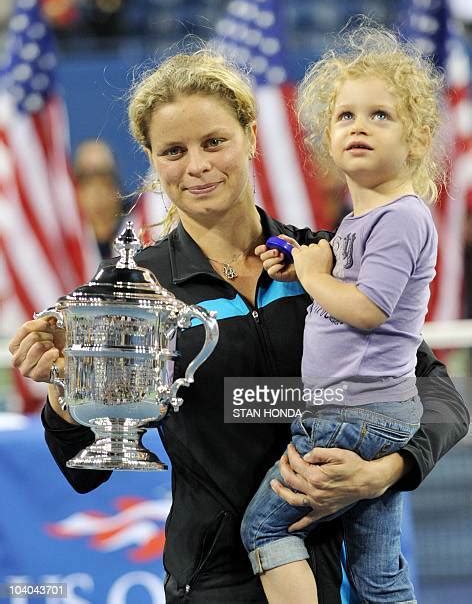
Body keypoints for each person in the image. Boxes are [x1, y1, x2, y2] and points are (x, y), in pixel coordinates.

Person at [8, 48, 469, 604]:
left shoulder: (319, 261)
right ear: (153, 160)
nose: (197, 165)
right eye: (173, 151)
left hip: (344, 576)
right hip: (215, 583)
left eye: (214, 142)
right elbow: (86, 469)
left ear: (251, 136)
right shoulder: (134, 290)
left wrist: (387, 470)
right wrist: (66, 388)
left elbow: (435, 389)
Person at [240, 24, 443, 604]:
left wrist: (313, 275)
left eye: (381, 115)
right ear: (326, 137)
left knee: (264, 526)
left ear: (418, 136)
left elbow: (368, 310)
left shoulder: (400, 217)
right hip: (372, 414)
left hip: (349, 415)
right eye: (345, 115)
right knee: (377, 573)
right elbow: (343, 289)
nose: (359, 126)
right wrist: (305, 271)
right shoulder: (363, 221)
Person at [73, 139, 122, 258]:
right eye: (87, 182)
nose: (97, 192)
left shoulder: (138, 227)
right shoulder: (66, 244)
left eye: (104, 179)